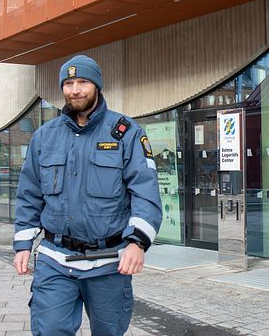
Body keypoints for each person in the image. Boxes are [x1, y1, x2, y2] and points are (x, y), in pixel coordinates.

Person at [13, 54, 162, 336]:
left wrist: (137, 244)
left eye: (82, 81)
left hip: (109, 262)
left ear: (97, 85)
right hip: (55, 259)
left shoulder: (126, 133)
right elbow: (29, 193)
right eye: (68, 83)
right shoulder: (44, 137)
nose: (75, 89)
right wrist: (23, 243)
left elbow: (145, 193)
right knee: (50, 330)